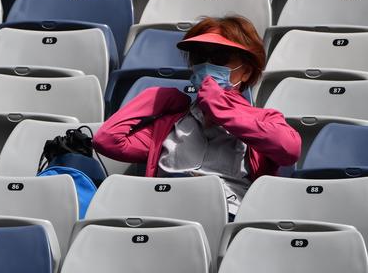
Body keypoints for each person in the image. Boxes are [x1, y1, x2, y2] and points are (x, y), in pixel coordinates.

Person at [94, 16, 301, 218]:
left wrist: (221, 109)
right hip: (163, 212)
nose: (206, 65)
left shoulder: (265, 119)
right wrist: (154, 98)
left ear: (245, 72)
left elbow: (289, 149)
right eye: (199, 57)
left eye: (220, 57)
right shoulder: (169, 125)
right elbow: (107, 140)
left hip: (224, 214)